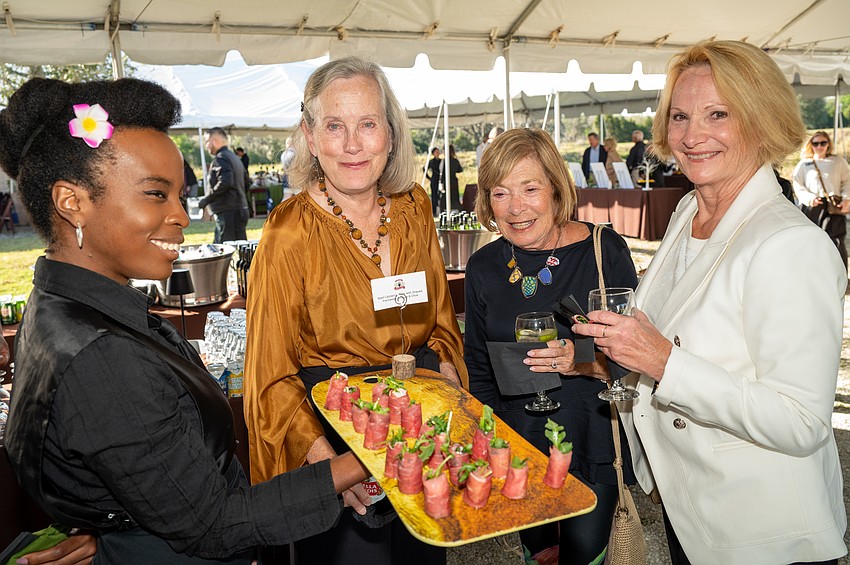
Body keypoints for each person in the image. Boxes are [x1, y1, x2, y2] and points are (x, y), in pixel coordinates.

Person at [0, 77, 370, 564]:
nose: (180, 214)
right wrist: (368, 460)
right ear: (73, 202)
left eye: (179, 193)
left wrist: (108, 527)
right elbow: (214, 524)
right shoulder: (104, 356)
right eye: (156, 194)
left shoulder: (55, 303)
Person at [573, 41, 848, 565]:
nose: (691, 136)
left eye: (717, 114)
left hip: (765, 534)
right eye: (679, 116)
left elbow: (801, 420)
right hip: (692, 510)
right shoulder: (688, 210)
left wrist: (661, 360)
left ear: (762, 122)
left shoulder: (789, 244)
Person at [244, 56, 466, 564]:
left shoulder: (414, 206)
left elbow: (440, 323)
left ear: (389, 130)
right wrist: (329, 471)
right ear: (309, 133)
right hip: (336, 436)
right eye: (334, 126)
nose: (351, 145)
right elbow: (270, 375)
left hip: (419, 430)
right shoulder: (288, 232)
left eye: (367, 124)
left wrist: (447, 370)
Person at [465, 128, 637, 565]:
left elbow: (638, 357)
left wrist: (580, 361)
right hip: (519, 442)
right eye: (500, 193)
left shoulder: (604, 251)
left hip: (590, 436)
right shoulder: (484, 266)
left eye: (529, 188)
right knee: (539, 556)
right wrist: (489, 443)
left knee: (583, 556)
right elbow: (479, 367)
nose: (515, 207)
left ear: (557, 190)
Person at [793, 131, 850, 268]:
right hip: (813, 205)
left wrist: (846, 199)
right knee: (812, 240)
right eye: (816, 143)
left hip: (833, 205)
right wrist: (809, 199)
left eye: (823, 143)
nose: (819, 146)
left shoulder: (838, 161)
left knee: (836, 240)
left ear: (828, 144)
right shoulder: (804, 164)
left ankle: (841, 275)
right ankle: (813, 273)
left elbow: (847, 182)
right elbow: (797, 184)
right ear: (811, 145)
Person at [198, 127, 249, 243]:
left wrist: (207, 199)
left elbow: (225, 182)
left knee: (224, 250)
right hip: (239, 208)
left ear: (215, 141)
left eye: (207, 141)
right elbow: (247, 182)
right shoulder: (235, 158)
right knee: (240, 250)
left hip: (228, 211)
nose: (206, 145)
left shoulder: (222, 158)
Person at [442, 144, 463, 211]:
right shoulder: (455, 161)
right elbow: (460, 170)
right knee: (455, 197)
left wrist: (441, 183)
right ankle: (457, 209)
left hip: (446, 181)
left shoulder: (444, 161)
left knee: (446, 197)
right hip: (454, 180)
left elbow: (441, 173)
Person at [426, 146, 442, 215]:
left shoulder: (441, 161)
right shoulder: (431, 162)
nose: (437, 153)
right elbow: (425, 169)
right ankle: (434, 211)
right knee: (434, 195)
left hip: (441, 179)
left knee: (441, 195)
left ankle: (441, 209)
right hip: (434, 179)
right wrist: (429, 178)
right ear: (433, 153)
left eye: (438, 152)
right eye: (436, 152)